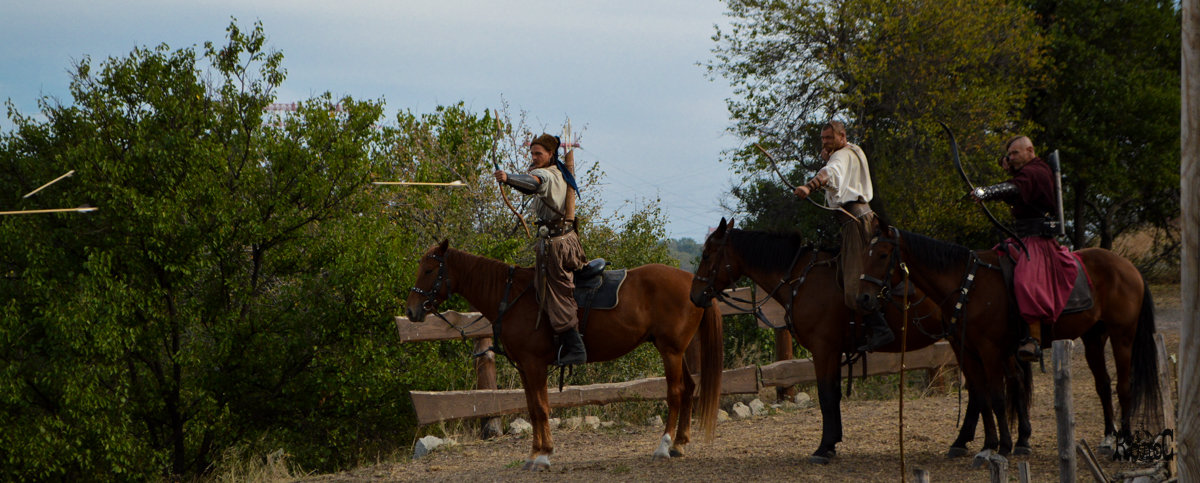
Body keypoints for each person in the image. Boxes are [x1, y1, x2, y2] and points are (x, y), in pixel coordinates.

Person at [970, 135, 1078, 362]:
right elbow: (1017, 184)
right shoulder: (1025, 174)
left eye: (1015, 153)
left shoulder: (1037, 172)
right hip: (1021, 239)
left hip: (1038, 241)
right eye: (1009, 154)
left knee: (1025, 281)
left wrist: (987, 193)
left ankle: (1034, 339)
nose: (1011, 157)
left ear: (1030, 150)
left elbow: (1016, 188)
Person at [794, 121, 895, 352]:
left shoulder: (840, 157)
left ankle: (879, 329)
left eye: (829, 138)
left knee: (853, 286)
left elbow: (831, 173)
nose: (825, 142)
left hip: (854, 223)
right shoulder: (854, 150)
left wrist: (810, 187)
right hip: (863, 218)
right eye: (823, 139)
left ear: (842, 136)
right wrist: (827, 156)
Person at [494, 134, 588, 366]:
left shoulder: (547, 175)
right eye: (532, 153)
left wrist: (507, 178)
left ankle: (575, 346)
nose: (534, 158)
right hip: (564, 239)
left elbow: (532, 183)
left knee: (556, 290)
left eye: (539, 154)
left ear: (550, 155)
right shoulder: (558, 172)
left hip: (557, 245)